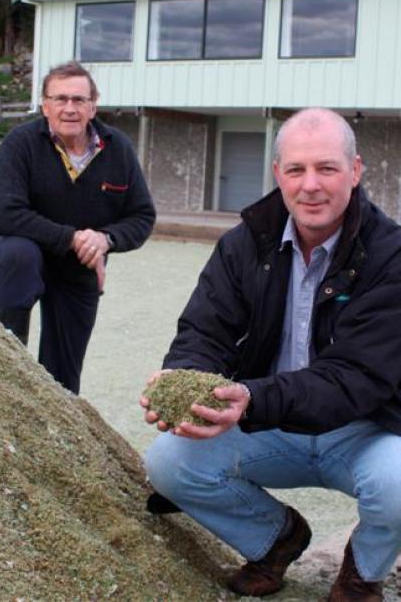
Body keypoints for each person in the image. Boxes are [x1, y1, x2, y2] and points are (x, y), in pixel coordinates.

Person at [141, 108, 401, 600]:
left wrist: (252, 398)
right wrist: (183, 380)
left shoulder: (391, 255)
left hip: (366, 426)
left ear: (356, 170)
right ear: (277, 173)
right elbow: (205, 328)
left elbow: (355, 377)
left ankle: (363, 573)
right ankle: (275, 538)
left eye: (327, 168)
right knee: (170, 462)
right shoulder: (244, 244)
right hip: (270, 418)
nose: (311, 186)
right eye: (297, 170)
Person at [0, 61, 155, 394]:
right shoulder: (20, 144)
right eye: (60, 99)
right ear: (44, 105)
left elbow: (142, 216)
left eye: (79, 100)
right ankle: (4, 369)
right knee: (20, 254)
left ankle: (52, 423)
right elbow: (5, 214)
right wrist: (73, 237)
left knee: (63, 380)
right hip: (25, 256)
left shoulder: (118, 148)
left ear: (93, 106)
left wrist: (106, 239)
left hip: (80, 265)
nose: (69, 108)